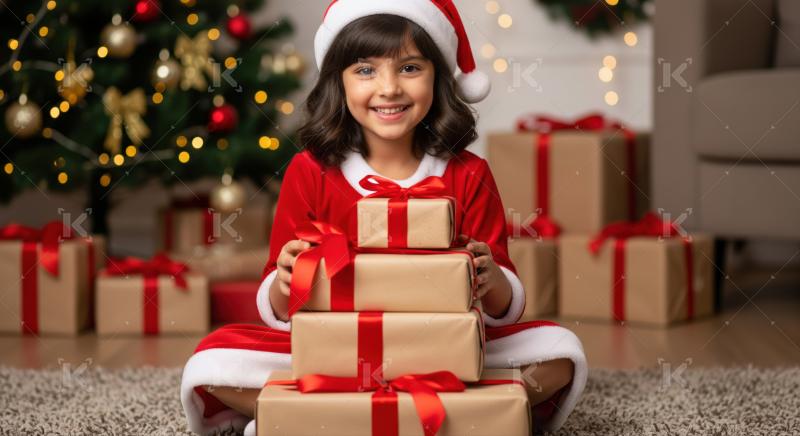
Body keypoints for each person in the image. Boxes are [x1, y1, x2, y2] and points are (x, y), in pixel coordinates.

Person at [180, 1, 587, 434]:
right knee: (213, 363)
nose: (389, 88)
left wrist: (493, 280)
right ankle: (443, 417)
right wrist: (284, 283)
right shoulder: (310, 170)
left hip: (444, 349)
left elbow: (504, 305)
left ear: (440, 77)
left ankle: (327, 420)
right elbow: (278, 307)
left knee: (560, 354)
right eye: (365, 70)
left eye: (410, 68)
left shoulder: (469, 173)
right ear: (338, 81)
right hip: (336, 348)